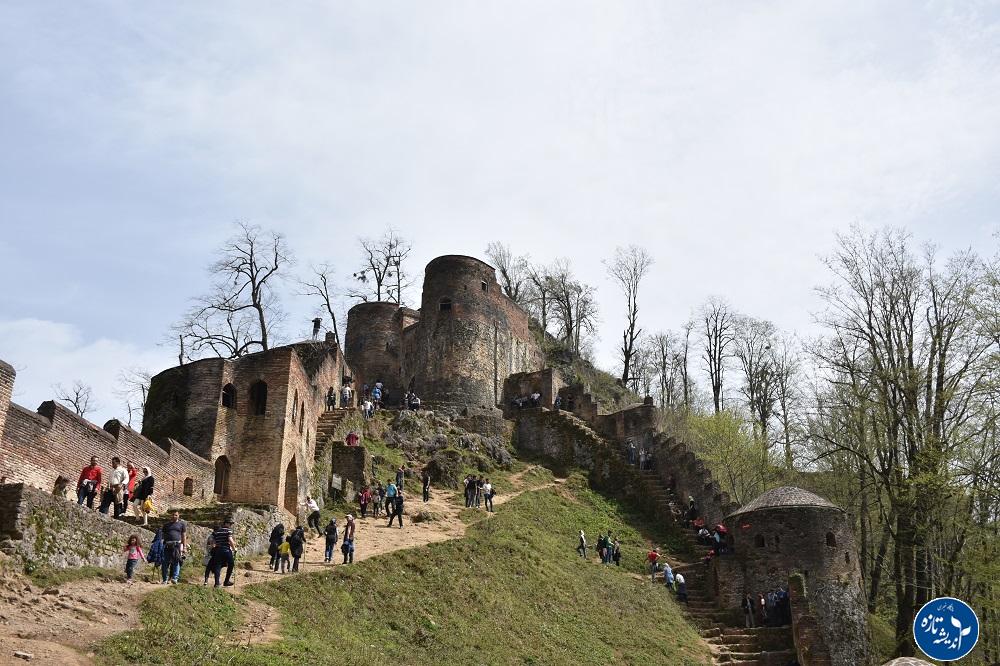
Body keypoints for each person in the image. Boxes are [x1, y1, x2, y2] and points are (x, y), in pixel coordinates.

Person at [161, 511, 187, 584]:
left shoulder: (181, 524)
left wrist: (184, 547)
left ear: (178, 516)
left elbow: (184, 536)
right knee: (165, 562)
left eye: (176, 515)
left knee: (176, 561)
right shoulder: (166, 525)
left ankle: (175, 578)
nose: (174, 516)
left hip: (176, 545)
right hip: (167, 545)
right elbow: (162, 536)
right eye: (173, 515)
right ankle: (165, 579)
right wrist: (161, 544)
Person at [209, 517, 237, 588]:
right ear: (226, 523)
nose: (230, 525)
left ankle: (217, 583)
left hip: (218, 550)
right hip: (226, 550)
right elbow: (230, 540)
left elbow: (212, 540)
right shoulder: (228, 531)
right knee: (231, 564)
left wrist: (214, 546)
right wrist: (234, 549)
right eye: (230, 524)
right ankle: (226, 581)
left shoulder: (218, 531)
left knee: (217, 566)